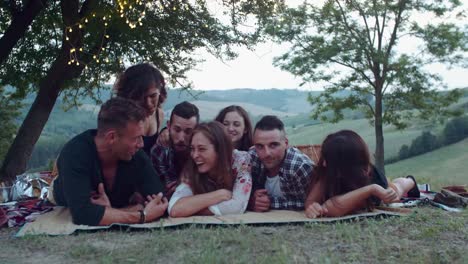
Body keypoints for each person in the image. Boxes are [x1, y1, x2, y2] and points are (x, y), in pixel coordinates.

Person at [52, 97, 168, 226]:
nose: (141, 144)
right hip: (61, 197)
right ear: (112, 137)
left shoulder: (136, 156)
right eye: (136, 138)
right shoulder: (75, 153)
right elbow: (82, 214)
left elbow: (161, 202)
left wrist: (110, 212)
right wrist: (142, 215)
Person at [304, 130, 419, 218]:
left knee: (396, 191)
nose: (323, 163)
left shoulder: (367, 181)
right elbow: (311, 201)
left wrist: (372, 189)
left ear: (344, 165)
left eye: (328, 159)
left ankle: (410, 181)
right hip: (363, 181)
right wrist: (312, 206)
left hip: (370, 182)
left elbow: (331, 208)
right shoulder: (328, 170)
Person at [168, 122, 252, 217]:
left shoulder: (240, 160)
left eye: (202, 149)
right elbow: (174, 209)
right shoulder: (192, 167)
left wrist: (192, 209)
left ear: (220, 150)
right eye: (192, 149)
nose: (194, 155)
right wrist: (220, 195)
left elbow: (236, 207)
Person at [248, 115, 314, 211]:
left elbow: (309, 202)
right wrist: (251, 199)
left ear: (286, 144)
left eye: (273, 145)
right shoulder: (252, 158)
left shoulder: (299, 167)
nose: (267, 153)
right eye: (260, 146)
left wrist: (270, 202)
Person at [114, 63, 167, 156]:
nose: (148, 103)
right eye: (141, 97)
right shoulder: (121, 119)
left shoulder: (159, 114)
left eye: (153, 96)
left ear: (160, 92)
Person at [151, 101, 199, 197]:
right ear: (168, 126)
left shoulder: (202, 151)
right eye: (177, 130)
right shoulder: (160, 151)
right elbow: (169, 189)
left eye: (188, 132)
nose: (181, 138)